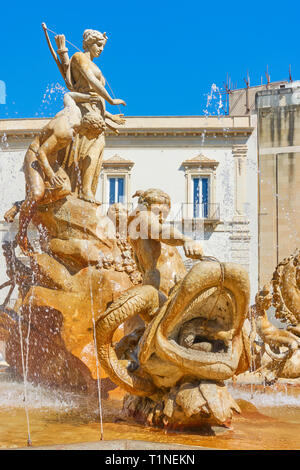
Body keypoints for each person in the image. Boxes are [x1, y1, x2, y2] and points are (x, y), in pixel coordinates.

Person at [127, 188, 203, 297]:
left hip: (175, 292)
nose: (162, 217)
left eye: (165, 213)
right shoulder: (143, 216)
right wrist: (186, 240)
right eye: (158, 212)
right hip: (161, 295)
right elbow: (159, 231)